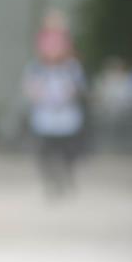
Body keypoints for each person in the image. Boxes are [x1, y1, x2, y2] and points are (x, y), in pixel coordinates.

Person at [23, 11, 87, 197]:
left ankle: (66, 175)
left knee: (68, 149)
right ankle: (52, 179)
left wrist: (67, 95)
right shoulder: (37, 67)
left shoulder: (71, 66)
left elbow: (78, 87)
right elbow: (29, 87)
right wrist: (38, 94)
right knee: (45, 150)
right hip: (45, 114)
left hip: (66, 114)